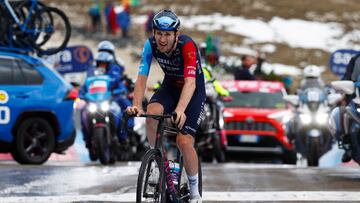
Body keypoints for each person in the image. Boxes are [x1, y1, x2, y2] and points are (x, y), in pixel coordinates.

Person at [126, 10, 205, 203]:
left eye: (167, 34)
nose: (162, 39)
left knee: (183, 141)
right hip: (170, 86)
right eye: (159, 33)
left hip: (192, 91)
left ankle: (195, 193)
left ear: (176, 34)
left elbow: (190, 83)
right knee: (152, 112)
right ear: (154, 32)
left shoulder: (187, 46)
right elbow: (141, 78)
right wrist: (136, 105)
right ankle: (155, 161)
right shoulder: (150, 45)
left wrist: (180, 110)